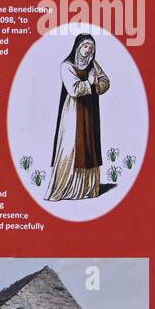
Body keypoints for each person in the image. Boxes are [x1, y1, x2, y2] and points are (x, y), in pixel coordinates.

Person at [45, 34, 110, 201]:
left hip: (90, 109)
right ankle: (66, 186)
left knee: (89, 144)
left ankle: (87, 188)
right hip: (72, 111)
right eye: (85, 46)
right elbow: (73, 90)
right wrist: (89, 83)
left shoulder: (93, 64)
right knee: (70, 146)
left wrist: (97, 85)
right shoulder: (66, 66)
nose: (88, 50)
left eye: (91, 48)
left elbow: (105, 81)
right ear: (77, 47)